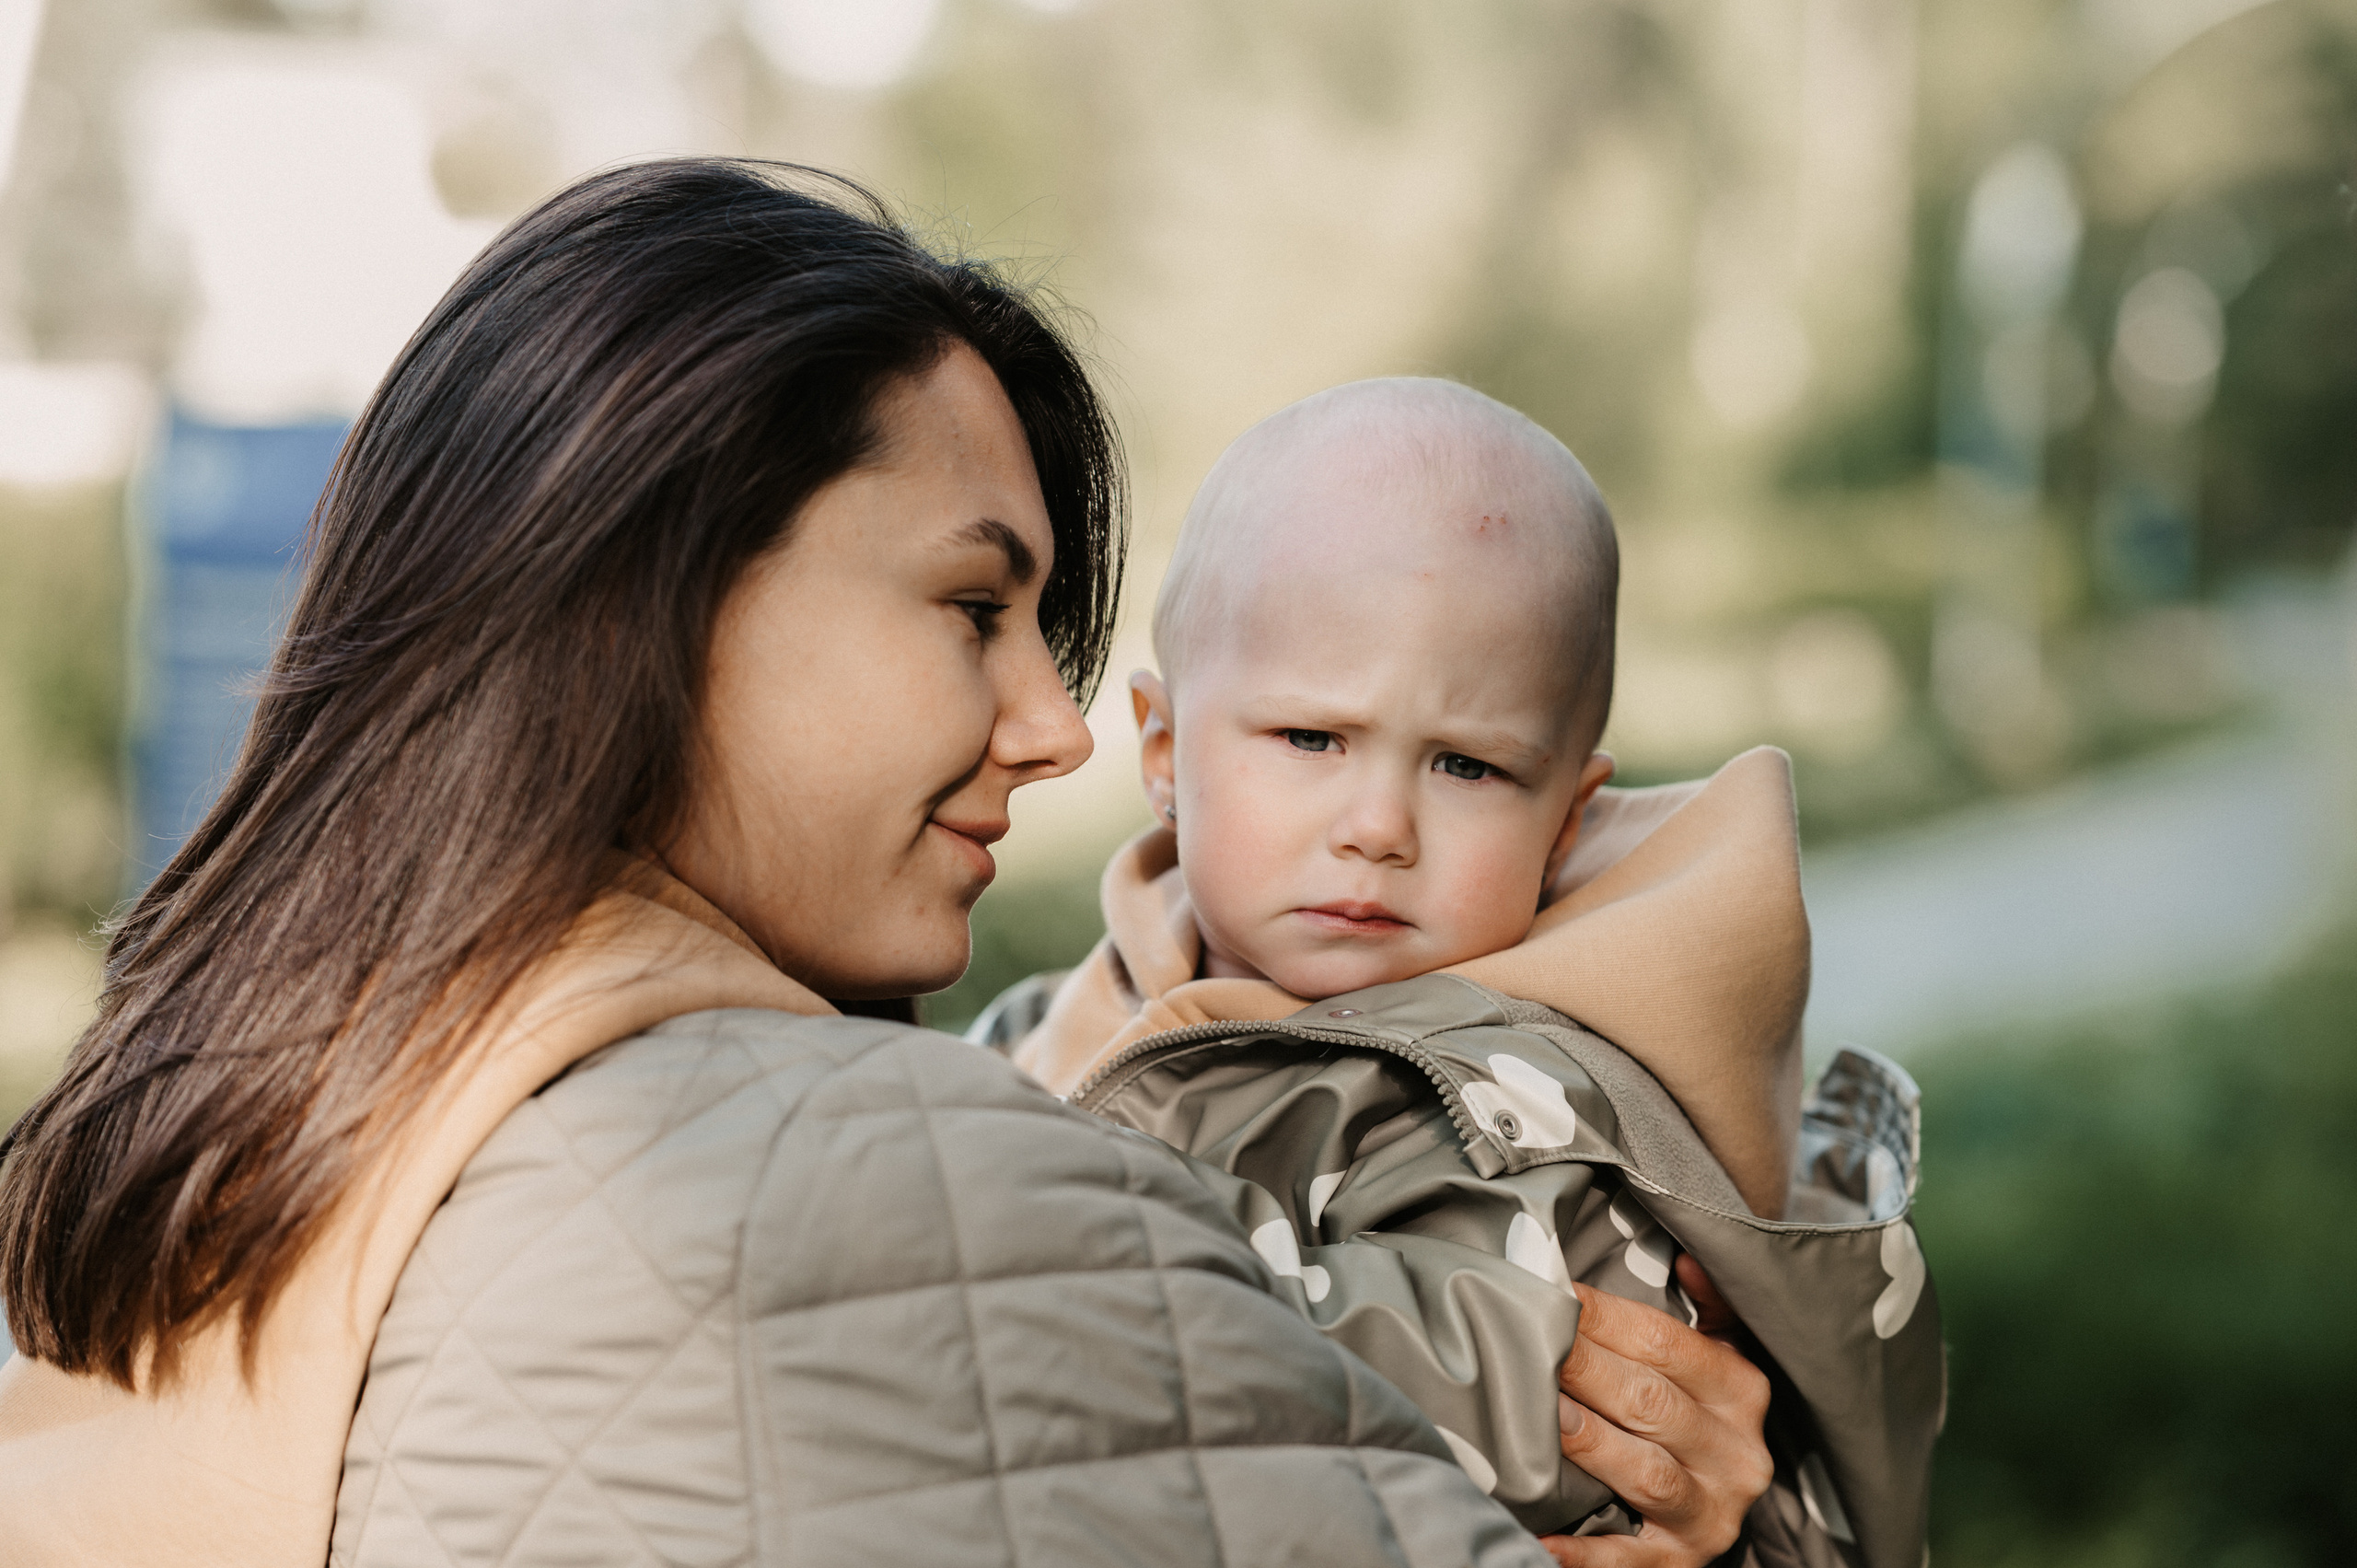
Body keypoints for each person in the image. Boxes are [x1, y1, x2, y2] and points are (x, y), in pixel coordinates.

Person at [0, 162, 1771, 1568]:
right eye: (975, 605)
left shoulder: (287, 1118)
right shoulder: (842, 1177)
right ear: (666, 594)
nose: (1054, 727)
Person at [984, 378, 1942, 1558]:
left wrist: (1029, 1261)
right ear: (1168, 751)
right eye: (1311, 737)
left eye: (1468, 767)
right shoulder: (1050, 1020)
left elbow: (1501, 1408)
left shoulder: (1524, 1102)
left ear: (1565, 816)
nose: (1378, 823)